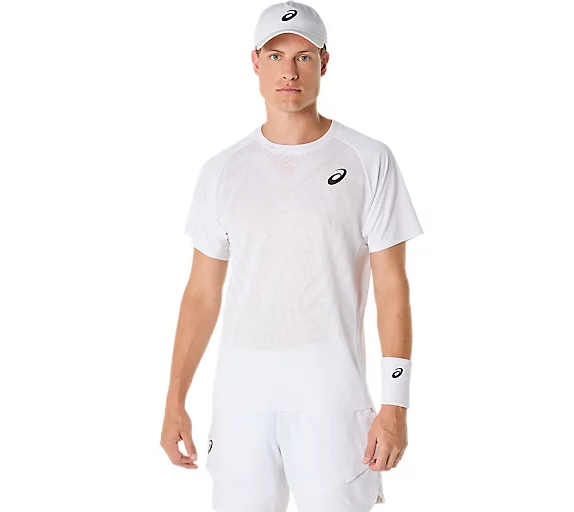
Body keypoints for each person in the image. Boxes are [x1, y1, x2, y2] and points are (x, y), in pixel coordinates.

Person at [161, 1, 423, 510]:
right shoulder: (222, 170)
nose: (289, 71)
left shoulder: (368, 159)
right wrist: (175, 400)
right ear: (255, 63)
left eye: (303, 56)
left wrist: (396, 405)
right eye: (276, 56)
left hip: (332, 401)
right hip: (241, 402)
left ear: (324, 62)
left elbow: (393, 286)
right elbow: (201, 294)